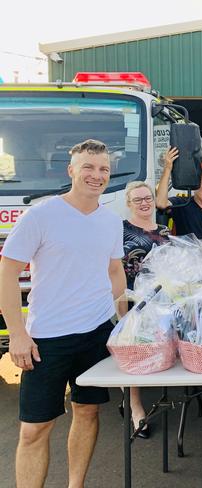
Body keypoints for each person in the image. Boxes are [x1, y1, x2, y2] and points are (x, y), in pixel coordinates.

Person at [0, 139, 126, 488]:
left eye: (103, 169)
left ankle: (76, 484)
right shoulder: (41, 215)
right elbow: (8, 272)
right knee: (34, 429)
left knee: (87, 412)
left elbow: (115, 271)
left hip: (96, 333)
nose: (96, 175)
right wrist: (18, 333)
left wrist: (123, 320)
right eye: (88, 167)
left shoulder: (111, 221)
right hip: (47, 339)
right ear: (71, 170)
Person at [121, 181, 171, 439]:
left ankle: (161, 395)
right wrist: (119, 311)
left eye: (147, 198)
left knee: (156, 348)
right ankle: (135, 407)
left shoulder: (163, 229)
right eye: (138, 199)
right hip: (131, 300)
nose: (144, 203)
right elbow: (113, 270)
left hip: (160, 302)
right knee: (133, 353)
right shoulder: (121, 229)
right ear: (129, 203)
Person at [155, 147, 202, 239]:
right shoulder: (181, 204)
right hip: (186, 253)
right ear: (195, 184)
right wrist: (167, 168)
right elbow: (161, 203)